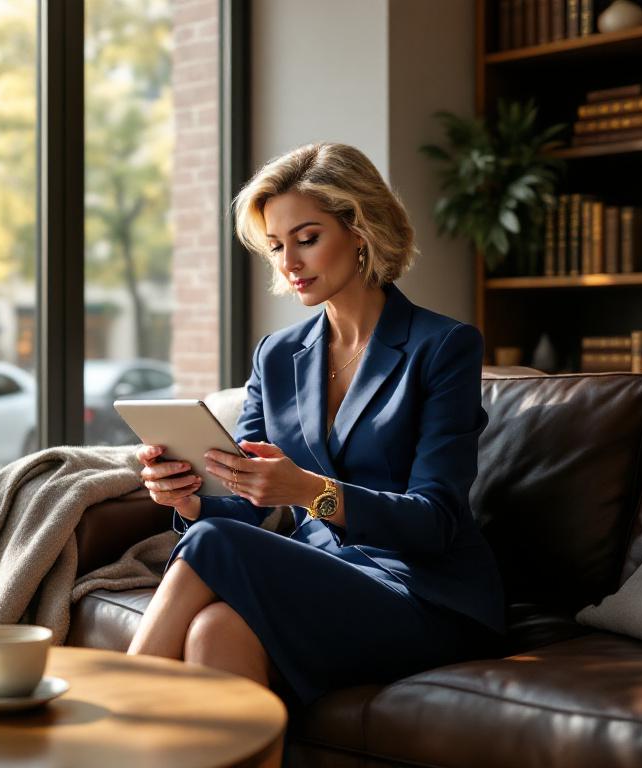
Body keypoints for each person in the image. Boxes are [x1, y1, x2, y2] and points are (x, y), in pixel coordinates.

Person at [126, 142, 505, 713]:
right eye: (277, 246)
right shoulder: (277, 356)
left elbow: (437, 524)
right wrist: (188, 498)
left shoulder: (443, 346)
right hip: (327, 575)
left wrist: (309, 492)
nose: (288, 263)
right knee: (214, 630)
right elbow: (243, 509)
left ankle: (102, 720)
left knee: (214, 545)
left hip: (426, 594)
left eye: (307, 239)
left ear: (360, 231)